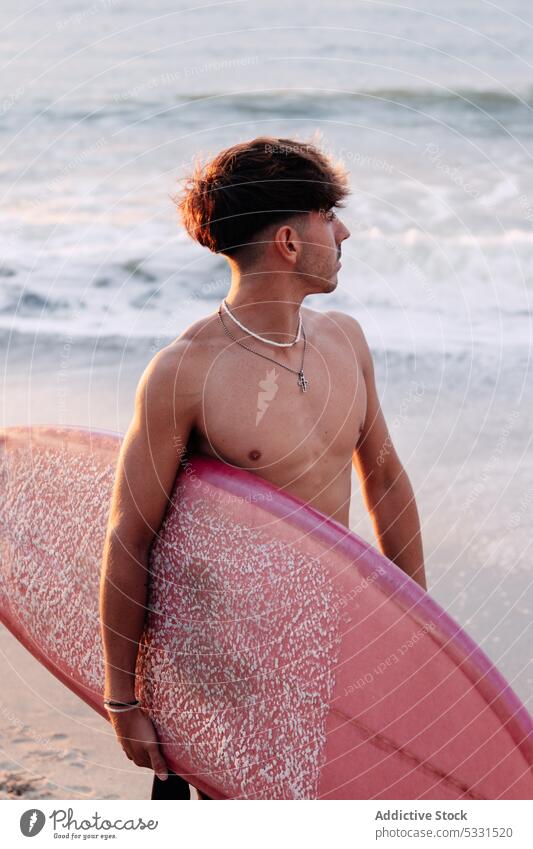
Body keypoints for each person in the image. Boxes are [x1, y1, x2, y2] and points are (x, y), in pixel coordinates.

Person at [99, 135, 427, 801]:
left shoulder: (344, 340)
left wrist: (420, 634)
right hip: (216, 669)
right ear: (288, 239)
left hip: (321, 647)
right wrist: (122, 696)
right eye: (327, 215)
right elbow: (129, 534)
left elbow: (384, 479)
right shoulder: (184, 371)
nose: (343, 231)